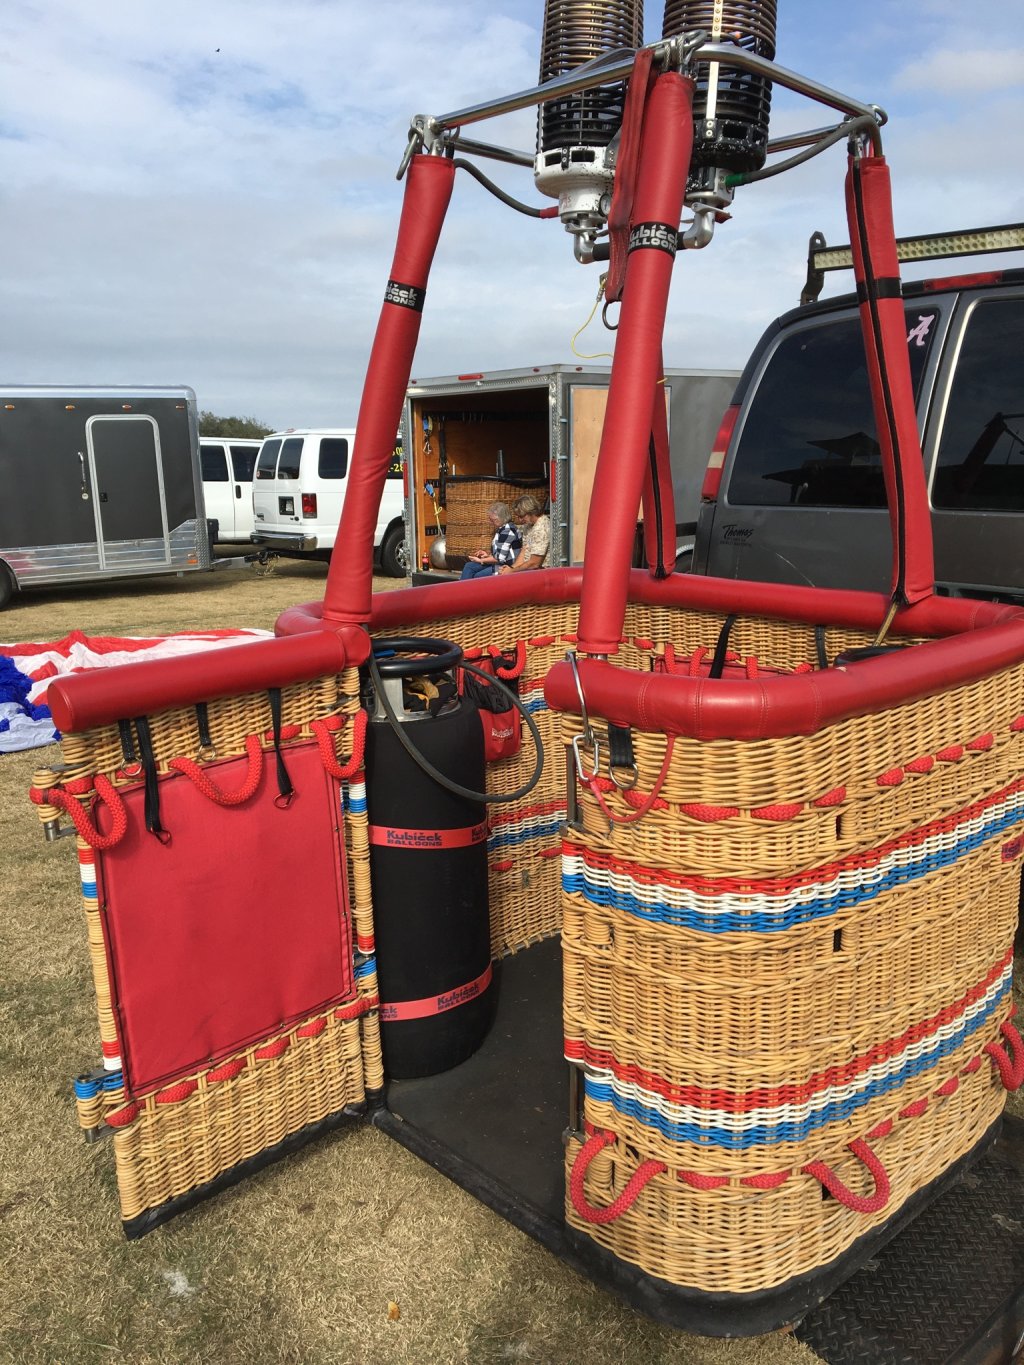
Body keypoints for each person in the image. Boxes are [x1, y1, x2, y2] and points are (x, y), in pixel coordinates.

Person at [459, 501, 521, 580]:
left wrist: (481, 560)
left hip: (506, 565)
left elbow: (500, 558)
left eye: (493, 520)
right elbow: (501, 553)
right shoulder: (503, 528)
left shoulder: (507, 531)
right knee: (469, 566)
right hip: (501, 562)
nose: (491, 522)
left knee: (477, 576)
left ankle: (464, 590)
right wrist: (487, 556)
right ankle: (462, 589)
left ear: (501, 518)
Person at [499, 494, 550, 574]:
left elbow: (535, 563)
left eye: (522, 516)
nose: (520, 520)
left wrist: (512, 571)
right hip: (528, 570)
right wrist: (511, 568)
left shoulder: (541, 528)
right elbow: (524, 552)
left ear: (531, 511)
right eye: (518, 517)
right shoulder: (528, 526)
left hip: (541, 573)